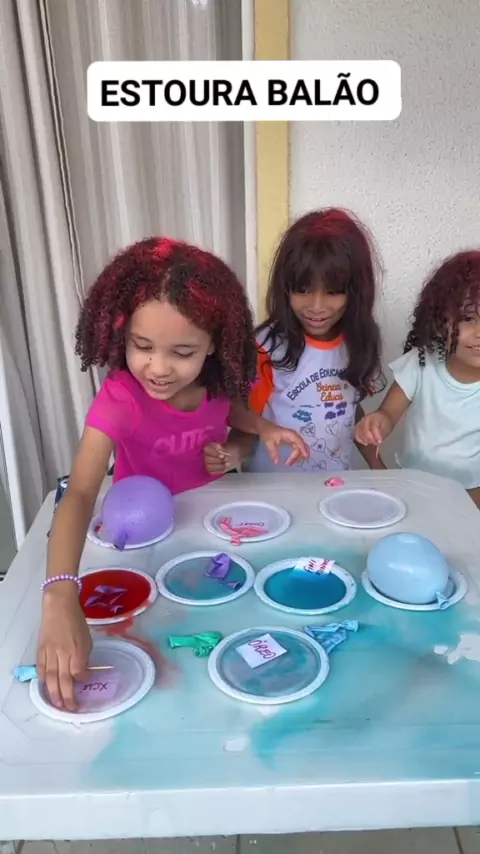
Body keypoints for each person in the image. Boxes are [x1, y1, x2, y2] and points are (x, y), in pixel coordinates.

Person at [38, 237, 308, 710]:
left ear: (213, 346)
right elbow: (79, 492)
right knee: (160, 663)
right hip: (143, 545)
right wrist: (60, 597)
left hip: (213, 535)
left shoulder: (217, 381)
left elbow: (231, 415)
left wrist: (257, 432)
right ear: (121, 334)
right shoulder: (121, 399)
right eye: (142, 346)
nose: (158, 369)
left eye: (182, 352)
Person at [244, 208, 385, 474]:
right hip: (272, 489)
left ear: (357, 290)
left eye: (333, 292)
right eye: (303, 290)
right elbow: (243, 417)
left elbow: (349, 410)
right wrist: (232, 452)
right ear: (285, 286)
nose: (316, 306)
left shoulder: (359, 342)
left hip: (334, 488)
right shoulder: (266, 347)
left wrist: (380, 467)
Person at [356, 251, 480, 507]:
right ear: (441, 319)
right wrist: (377, 423)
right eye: (468, 318)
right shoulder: (422, 363)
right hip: (414, 489)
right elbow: (388, 414)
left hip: (472, 496)